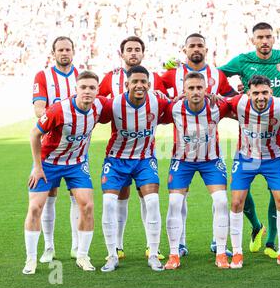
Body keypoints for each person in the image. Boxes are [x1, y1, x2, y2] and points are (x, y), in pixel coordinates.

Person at [218, 22, 280, 259]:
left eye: (268, 37)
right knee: (240, 192)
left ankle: (272, 242)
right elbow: (217, 76)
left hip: (278, 135)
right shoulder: (243, 60)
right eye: (260, 37)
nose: (264, 41)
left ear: (274, 39)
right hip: (250, 136)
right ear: (253, 40)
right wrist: (233, 94)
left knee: (277, 191)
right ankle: (256, 225)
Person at [23, 71, 107, 274]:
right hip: (48, 163)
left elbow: (126, 101)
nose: (87, 91)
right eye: (83, 87)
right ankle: (31, 259)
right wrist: (37, 166)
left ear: (97, 90)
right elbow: (34, 134)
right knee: (35, 207)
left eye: (92, 88)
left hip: (76, 164)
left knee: (87, 206)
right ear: (76, 89)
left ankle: (83, 256)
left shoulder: (101, 106)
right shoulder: (59, 110)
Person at [161, 33, 237, 257]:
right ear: (184, 49)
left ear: (206, 49)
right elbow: (153, 88)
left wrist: (224, 98)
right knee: (176, 201)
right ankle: (179, 245)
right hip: (181, 156)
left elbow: (233, 99)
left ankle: (218, 243)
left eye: (200, 45)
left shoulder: (217, 75)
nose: (196, 49)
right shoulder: (172, 74)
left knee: (221, 200)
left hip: (211, 157)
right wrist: (162, 94)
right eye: (192, 45)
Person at [98, 36, 167, 261]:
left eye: (137, 49)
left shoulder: (155, 79)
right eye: (129, 49)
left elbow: (169, 106)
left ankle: (152, 247)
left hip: (145, 152)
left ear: (143, 53)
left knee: (148, 197)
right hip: (119, 153)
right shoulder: (110, 79)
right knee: (121, 197)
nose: (133, 53)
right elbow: (98, 105)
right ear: (122, 53)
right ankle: (116, 247)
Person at [225, 75, 280, 269]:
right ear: (248, 93)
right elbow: (215, 110)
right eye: (255, 93)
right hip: (246, 158)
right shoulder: (238, 102)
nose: (260, 97)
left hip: (273, 159)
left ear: (271, 92)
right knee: (236, 201)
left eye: (264, 92)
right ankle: (237, 253)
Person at [32, 36, 80, 263]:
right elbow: (39, 109)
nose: (64, 53)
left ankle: (76, 246)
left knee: (78, 197)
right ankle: (49, 247)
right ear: (53, 53)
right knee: (49, 197)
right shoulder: (43, 76)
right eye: (60, 49)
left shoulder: (81, 76)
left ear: (73, 52)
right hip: (50, 149)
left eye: (67, 49)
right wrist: (63, 113)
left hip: (77, 150)